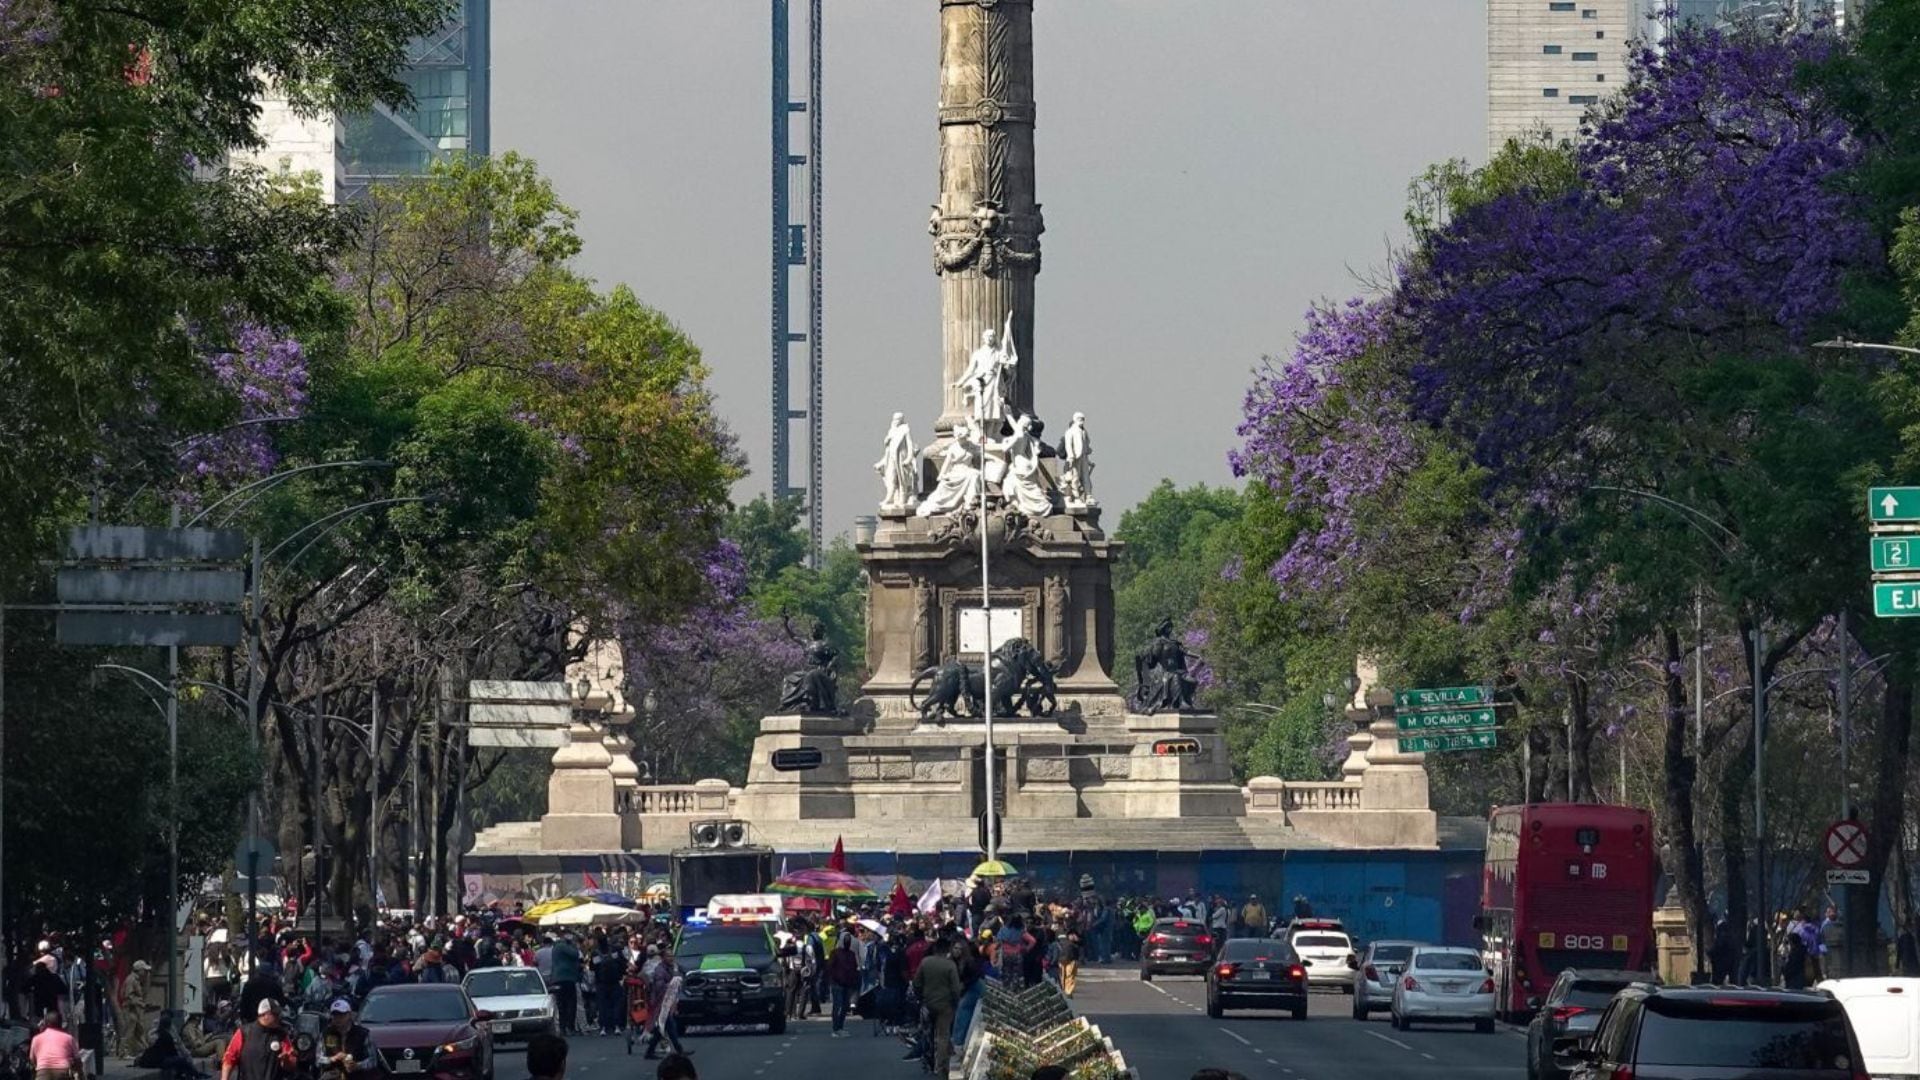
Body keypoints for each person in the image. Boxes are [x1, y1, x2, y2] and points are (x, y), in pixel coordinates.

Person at [912, 934, 963, 1078]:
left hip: (928, 1003)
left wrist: (920, 996)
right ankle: (941, 1069)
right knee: (943, 1036)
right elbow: (955, 989)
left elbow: (916, 982)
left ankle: (927, 1059)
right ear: (947, 950)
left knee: (927, 1032)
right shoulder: (950, 965)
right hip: (945, 1005)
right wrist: (955, 1002)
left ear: (935, 948)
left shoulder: (925, 962)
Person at [220, 1000, 298, 1080]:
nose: (279, 1017)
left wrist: (286, 1060)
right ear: (265, 1015)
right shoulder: (244, 1032)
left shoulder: (282, 1035)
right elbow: (229, 1059)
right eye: (276, 1014)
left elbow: (291, 1064)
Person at [638, 950, 688, 1061]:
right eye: (668, 956)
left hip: (666, 1001)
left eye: (672, 956)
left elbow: (683, 972)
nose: (671, 958)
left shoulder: (670, 967)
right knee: (668, 1026)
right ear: (663, 958)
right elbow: (660, 986)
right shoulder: (660, 970)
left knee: (666, 1027)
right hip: (660, 1002)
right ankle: (679, 1051)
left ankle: (652, 1051)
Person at [315, 1000, 376, 1080]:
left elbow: (373, 1061)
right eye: (335, 1015)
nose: (338, 1019)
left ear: (349, 1015)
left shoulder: (363, 1034)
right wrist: (332, 1059)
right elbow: (318, 1060)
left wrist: (357, 1066)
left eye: (341, 1015)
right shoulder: (325, 1034)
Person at [33, 1011, 82, 1080]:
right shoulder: (68, 1038)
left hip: (43, 1073)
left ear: (45, 1024)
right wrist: (80, 1074)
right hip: (62, 1073)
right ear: (61, 1024)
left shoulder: (36, 1039)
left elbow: (33, 1059)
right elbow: (77, 1060)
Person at [826, 936, 859, 1037]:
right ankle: (836, 1028)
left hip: (847, 983)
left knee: (844, 1006)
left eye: (848, 942)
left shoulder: (851, 954)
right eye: (845, 942)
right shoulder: (835, 953)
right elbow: (830, 967)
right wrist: (834, 978)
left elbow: (854, 967)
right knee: (838, 1006)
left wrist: (853, 980)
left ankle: (840, 1027)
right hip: (837, 983)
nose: (847, 943)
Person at [119, 960, 152, 1056]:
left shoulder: (136, 980)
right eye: (144, 970)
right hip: (130, 1010)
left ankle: (146, 1051)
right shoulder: (131, 980)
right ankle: (123, 1052)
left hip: (135, 1009)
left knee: (139, 1031)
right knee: (129, 1031)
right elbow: (128, 996)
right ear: (139, 970)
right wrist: (141, 1004)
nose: (145, 972)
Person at [1053, 929, 1081, 998]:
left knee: (1070, 976)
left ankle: (1068, 991)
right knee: (1063, 975)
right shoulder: (1064, 940)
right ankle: (1064, 990)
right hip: (1063, 959)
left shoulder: (1074, 942)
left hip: (1070, 960)